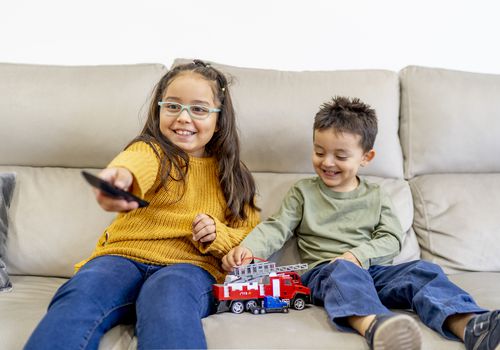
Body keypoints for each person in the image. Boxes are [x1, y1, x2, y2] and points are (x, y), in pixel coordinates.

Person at [222, 96, 500, 350]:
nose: (327, 162)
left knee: (422, 270)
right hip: (326, 272)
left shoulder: (377, 196)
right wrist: (249, 249)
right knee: (343, 269)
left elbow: (391, 239)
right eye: (319, 152)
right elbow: (277, 227)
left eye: (341, 156)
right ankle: (377, 326)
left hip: (373, 271)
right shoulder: (303, 192)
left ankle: (470, 325)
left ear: (366, 158)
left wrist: (358, 255)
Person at [25, 60, 260, 350]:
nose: (183, 118)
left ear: (219, 118)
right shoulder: (151, 150)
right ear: (159, 109)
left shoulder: (235, 176)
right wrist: (120, 179)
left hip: (189, 267)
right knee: (81, 295)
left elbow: (250, 235)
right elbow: (134, 164)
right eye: (173, 106)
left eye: (198, 109)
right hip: (121, 258)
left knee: (168, 300)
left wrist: (218, 234)